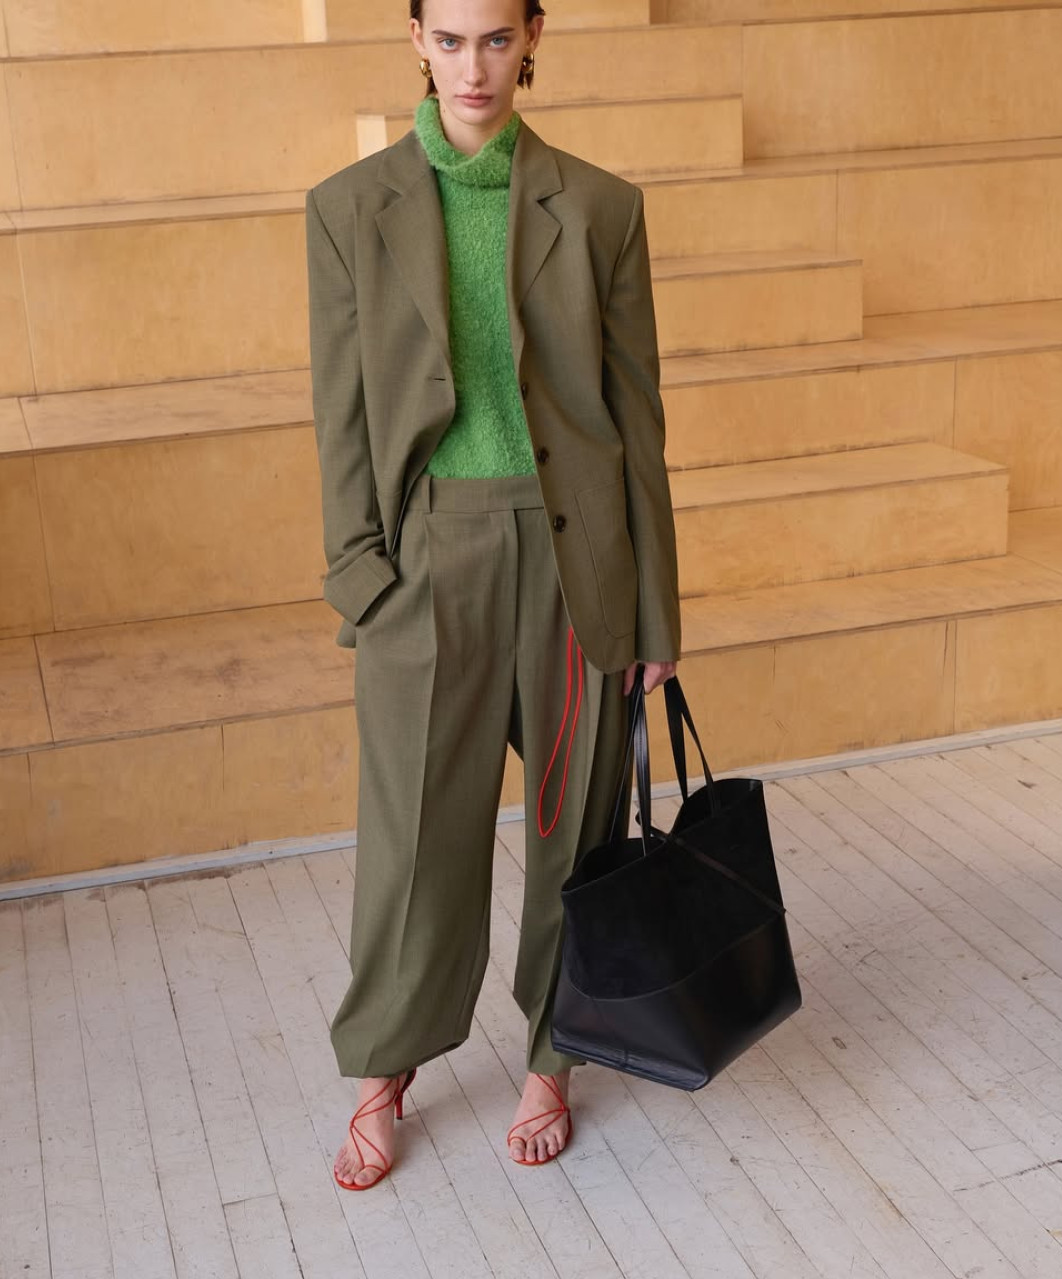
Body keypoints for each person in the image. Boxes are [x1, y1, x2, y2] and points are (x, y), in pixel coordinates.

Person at [306, 0, 681, 1189]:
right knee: (415, 837)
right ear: (415, 38)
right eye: (452, 40)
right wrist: (364, 578)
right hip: (427, 561)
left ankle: (553, 1060)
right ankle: (383, 1069)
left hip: (578, 563)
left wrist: (655, 612)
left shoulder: (602, 206)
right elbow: (341, 416)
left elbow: (636, 421)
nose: (476, 67)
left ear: (534, 37)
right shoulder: (348, 208)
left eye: (498, 39)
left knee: (578, 830)